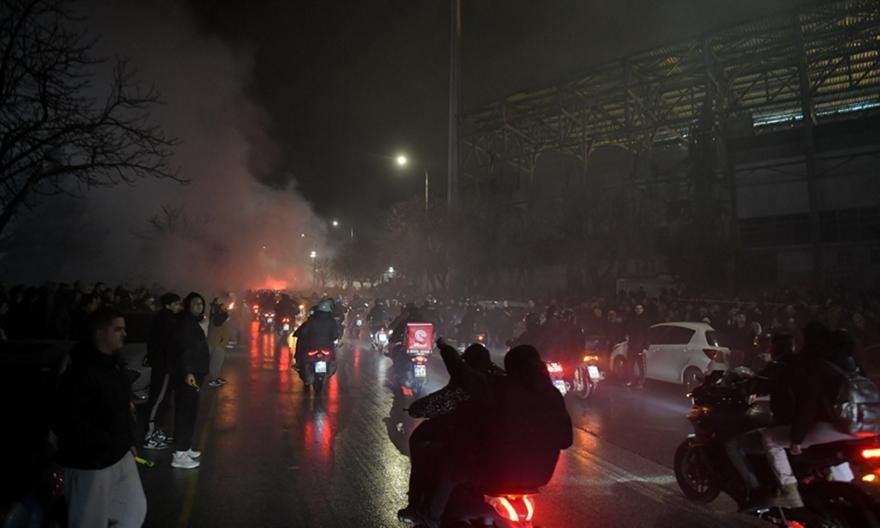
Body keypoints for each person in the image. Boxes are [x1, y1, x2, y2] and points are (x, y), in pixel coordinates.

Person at [53, 308, 147, 528]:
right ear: (100, 332)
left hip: (119, 454)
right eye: (117, 329)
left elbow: (121, 408)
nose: (124, 334)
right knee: (89, 520)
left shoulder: (114, 365)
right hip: (91, 463)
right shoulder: (79, 373)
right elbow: (70, 422)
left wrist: (127, 441)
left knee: (132, 510)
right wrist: (109, 441)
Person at [398, 341, 501, 527]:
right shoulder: (500, 384)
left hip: (469, 446)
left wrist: (415, 408)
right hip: (496, 451)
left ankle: (421, 510)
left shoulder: (467, 385)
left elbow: (437, 403)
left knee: (425, 446)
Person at [169, 292, 210, 469]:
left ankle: (185, 448)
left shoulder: (191, 321)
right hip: (189, 375)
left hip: (194, 373)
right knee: (186, 411)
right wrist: (188, 372)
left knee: (190, 410)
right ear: (188, 305)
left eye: (201, 303)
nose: (199, 306)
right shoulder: (186, 323)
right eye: (195, 303)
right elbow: (185, 349)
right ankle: (180, 454)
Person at [143, 292, 182, 450]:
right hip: (163, 366)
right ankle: (149, 436)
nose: (179, 307)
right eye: (176, 304)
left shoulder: (166, 319)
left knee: (162, 400)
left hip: (164, 365)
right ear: (168, 305)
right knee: (157, 399)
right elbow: (167, 344)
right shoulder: (165, 320)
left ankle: (156, 431)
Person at [292, 299, 339, 388]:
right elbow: (335, 335)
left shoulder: (312, 320)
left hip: (312, 346)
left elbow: (303, 332)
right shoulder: (332, 321)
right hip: (326, 347)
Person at [206, 295, 232, 388]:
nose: (225, 308)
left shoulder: (217, 316)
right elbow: (220, 319)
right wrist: (225, 313)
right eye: (223, 307)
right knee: (215, 363)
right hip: (216, 344)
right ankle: (213, 380)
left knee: (218, 362)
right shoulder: (218, 317)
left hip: (218, 343)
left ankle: (215, 377)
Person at [626, 304, 650, 389]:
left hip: (640, 347)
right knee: (630, 365)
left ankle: (641, 382)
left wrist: (645, 347)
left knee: (641, 366)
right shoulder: (633, 319)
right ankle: (632, 380)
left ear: (642, 309)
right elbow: (630, 330)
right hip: (632, 346)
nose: (638, 310)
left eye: (639, 308)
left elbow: (647, 335)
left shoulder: (645, 320)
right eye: (636, 308)